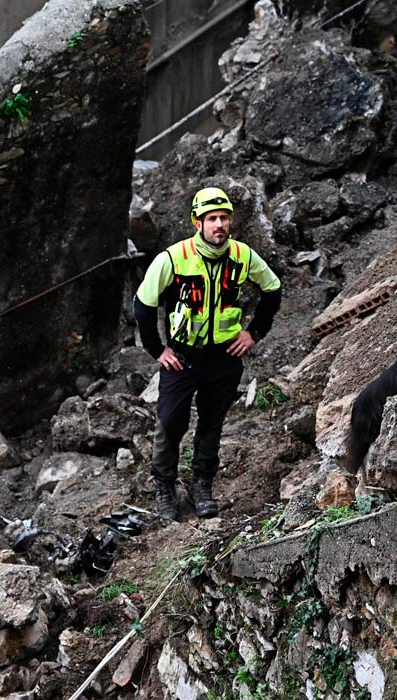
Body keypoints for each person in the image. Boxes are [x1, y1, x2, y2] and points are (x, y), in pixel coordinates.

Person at [133, 187, 281, 520]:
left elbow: (273, 289)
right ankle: (164, 486)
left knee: (212, 423)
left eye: (224, 219)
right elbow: (142, 305)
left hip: (225, 356)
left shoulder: (243, 256)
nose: (219, 225)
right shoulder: (173, 258)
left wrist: (254, 332)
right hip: (182, 356)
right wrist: (157, 349)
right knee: (171, 422)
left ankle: (201, 484)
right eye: (211, 219)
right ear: (197, 222)